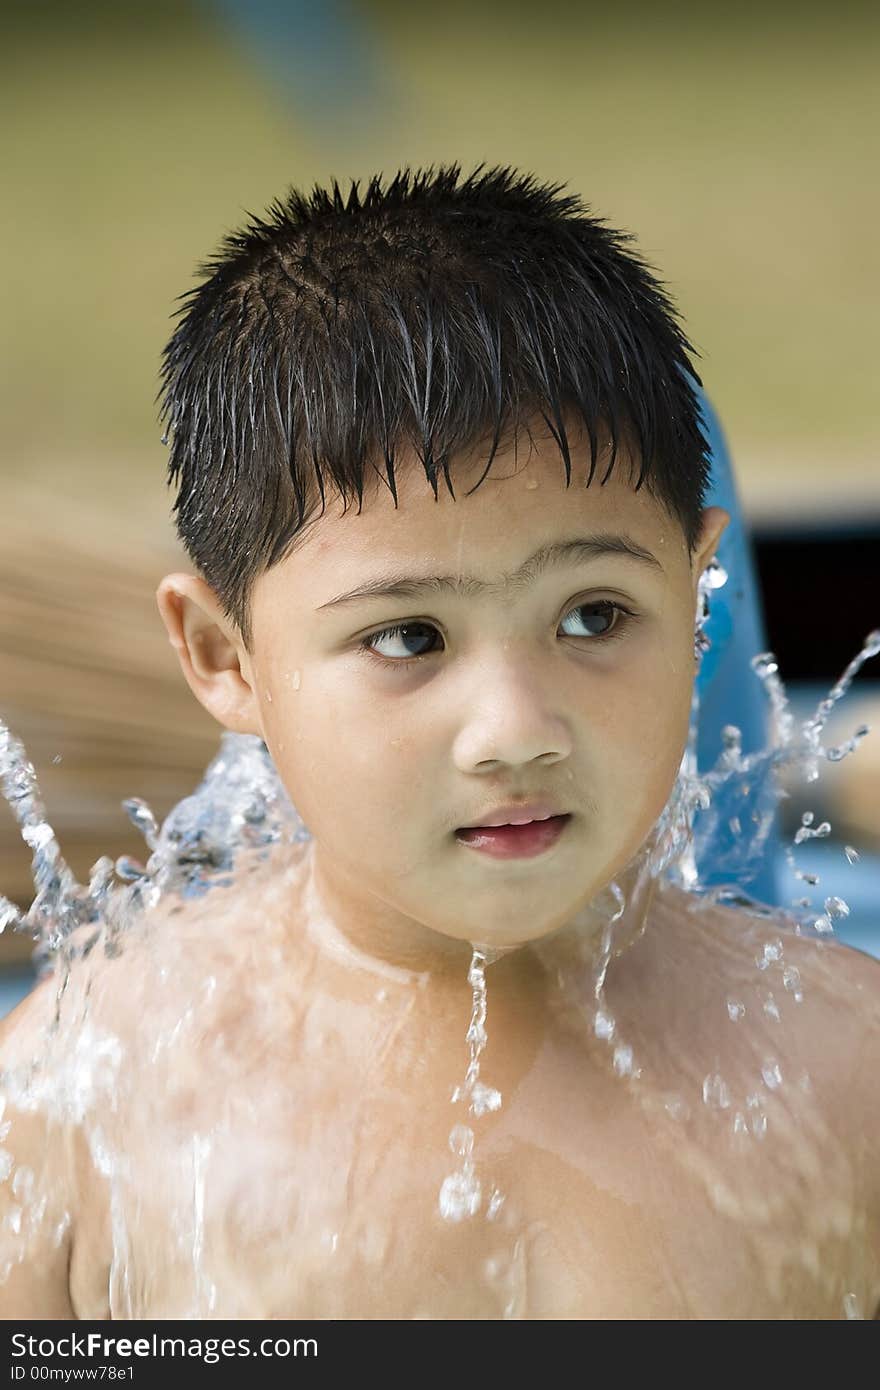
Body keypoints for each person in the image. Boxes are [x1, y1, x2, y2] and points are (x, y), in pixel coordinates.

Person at [0, 164, 877, 1320]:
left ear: (699, 591)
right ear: (224, 657)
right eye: (408, 636)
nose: (515, 730)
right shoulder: (93, 1094)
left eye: (593, 616)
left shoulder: (843, 1071)